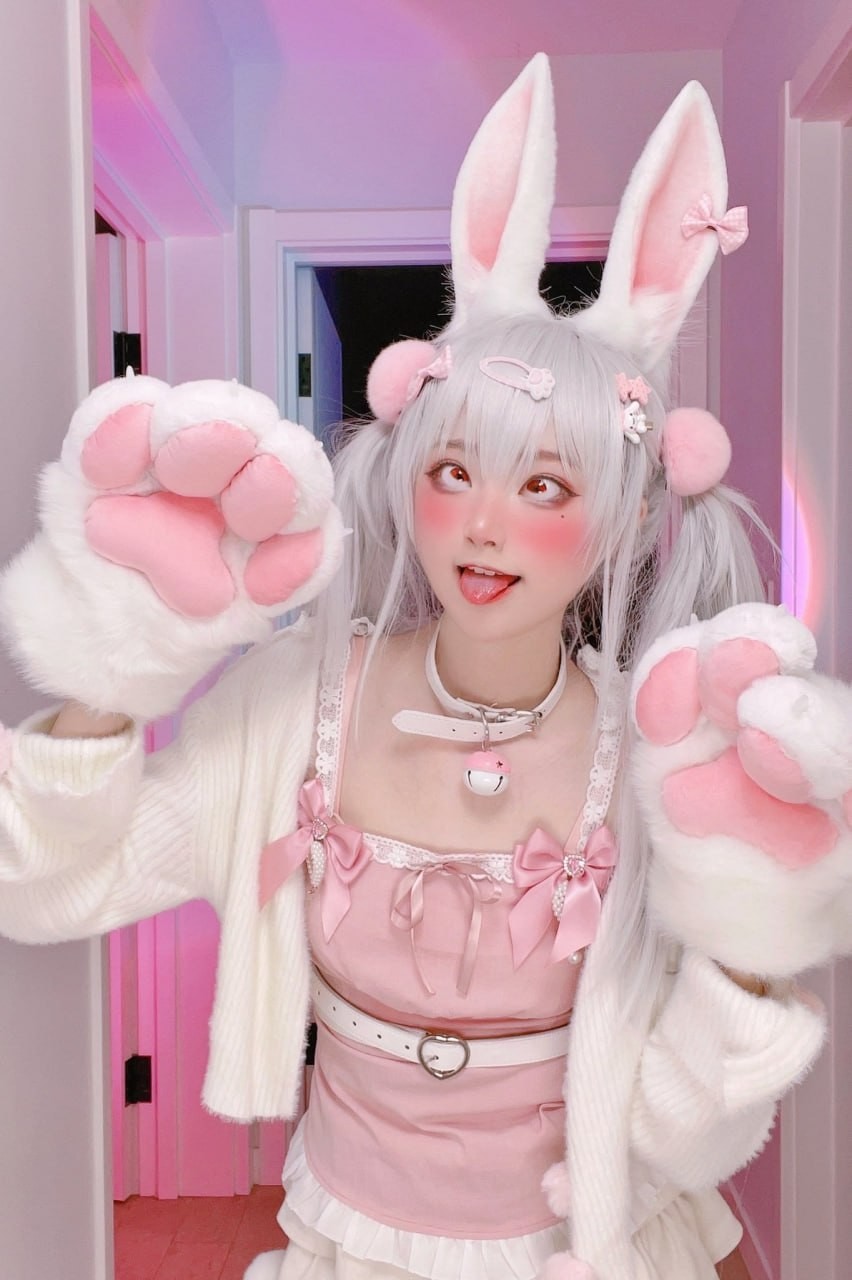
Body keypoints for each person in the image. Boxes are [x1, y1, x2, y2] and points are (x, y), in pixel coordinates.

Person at [0, 53, 848, 1280]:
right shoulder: (298, 704)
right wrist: (115, 661)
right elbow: (44, 890)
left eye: (544, 484)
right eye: (456, 471)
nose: (484, 525)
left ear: (623, 516)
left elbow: (684, 1133)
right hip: (352, 1241)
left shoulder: (661, 754)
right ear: (410, 477)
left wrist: (751, 932)